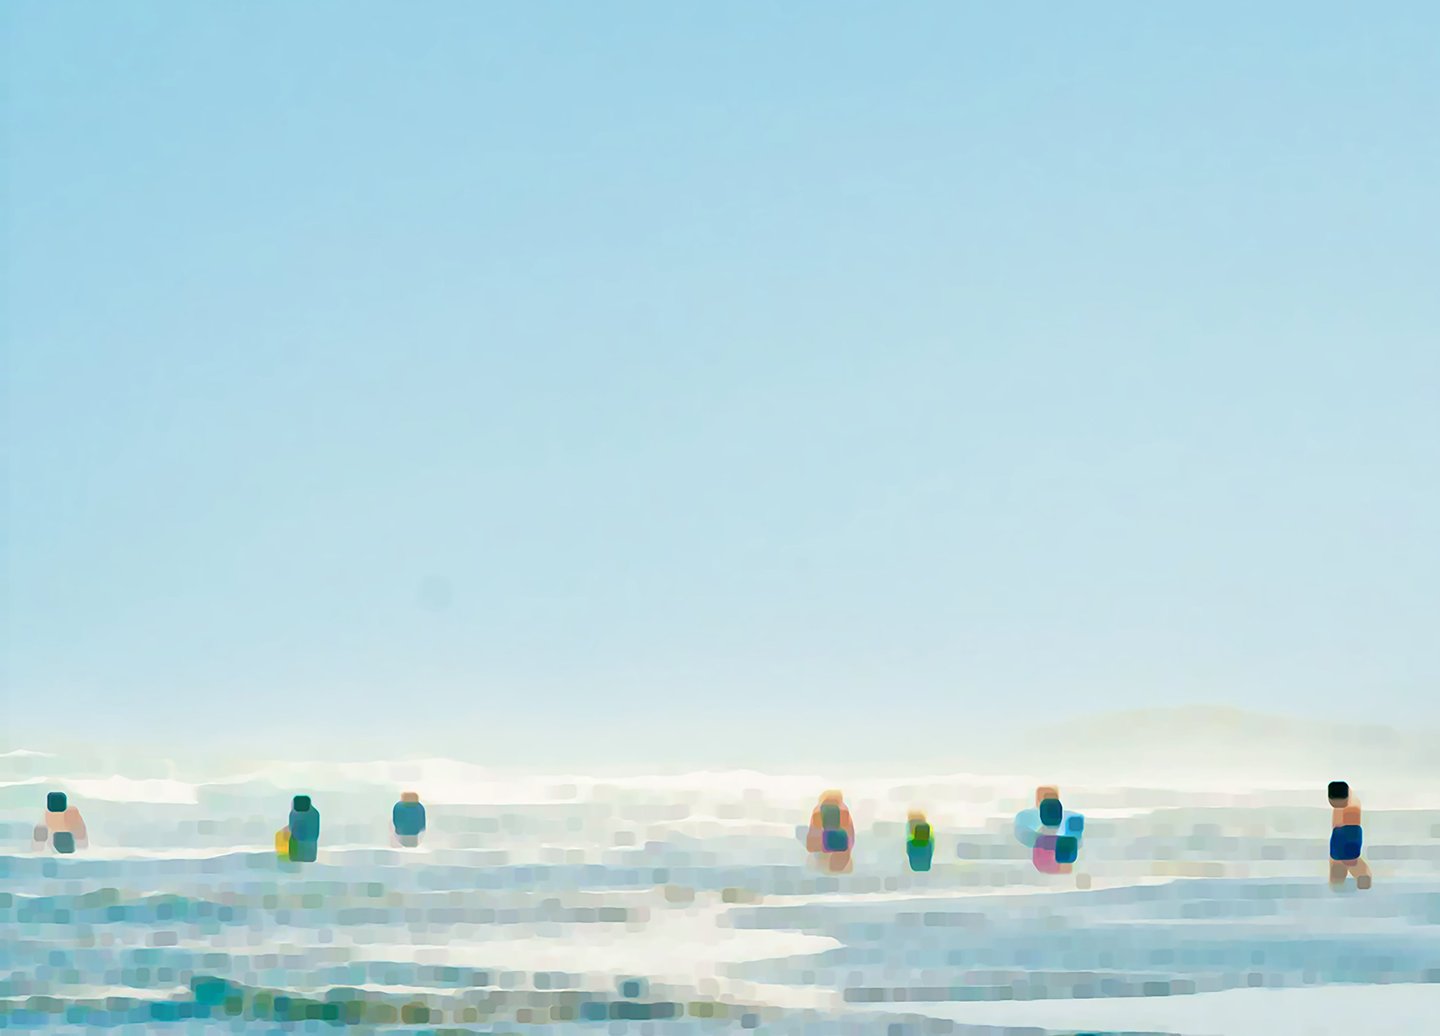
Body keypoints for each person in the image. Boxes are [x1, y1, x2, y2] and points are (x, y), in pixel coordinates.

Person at [1327, 781, 1371, 889]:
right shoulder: (1354, 802)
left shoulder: (1348, 804)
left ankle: (1339, 877)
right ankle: (1361, 876)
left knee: (1339, 862)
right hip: (1352, 832)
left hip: (1343, 832)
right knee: (1352, 861)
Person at [806, 790, 855, 874]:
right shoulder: (844, 811)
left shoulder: (818, 812)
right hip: (839, 861)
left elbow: (811, 845)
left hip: (823, 861)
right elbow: (851, 839)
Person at [282, 794, 320, 863]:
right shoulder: (314, 813)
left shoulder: (294, 813)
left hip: (301, 846)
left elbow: (292, 828)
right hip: (308, 848)